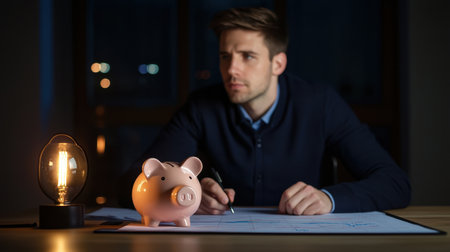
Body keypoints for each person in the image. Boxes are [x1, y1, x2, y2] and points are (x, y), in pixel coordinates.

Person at [124, 7, 410, 215]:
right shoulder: (201, 107)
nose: (231, 69)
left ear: (278, 64)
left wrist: (328, 199)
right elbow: (131, 183)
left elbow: (395, 183)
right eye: (225, 56)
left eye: (248, 56)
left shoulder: (320, 103)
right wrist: (185, 192)